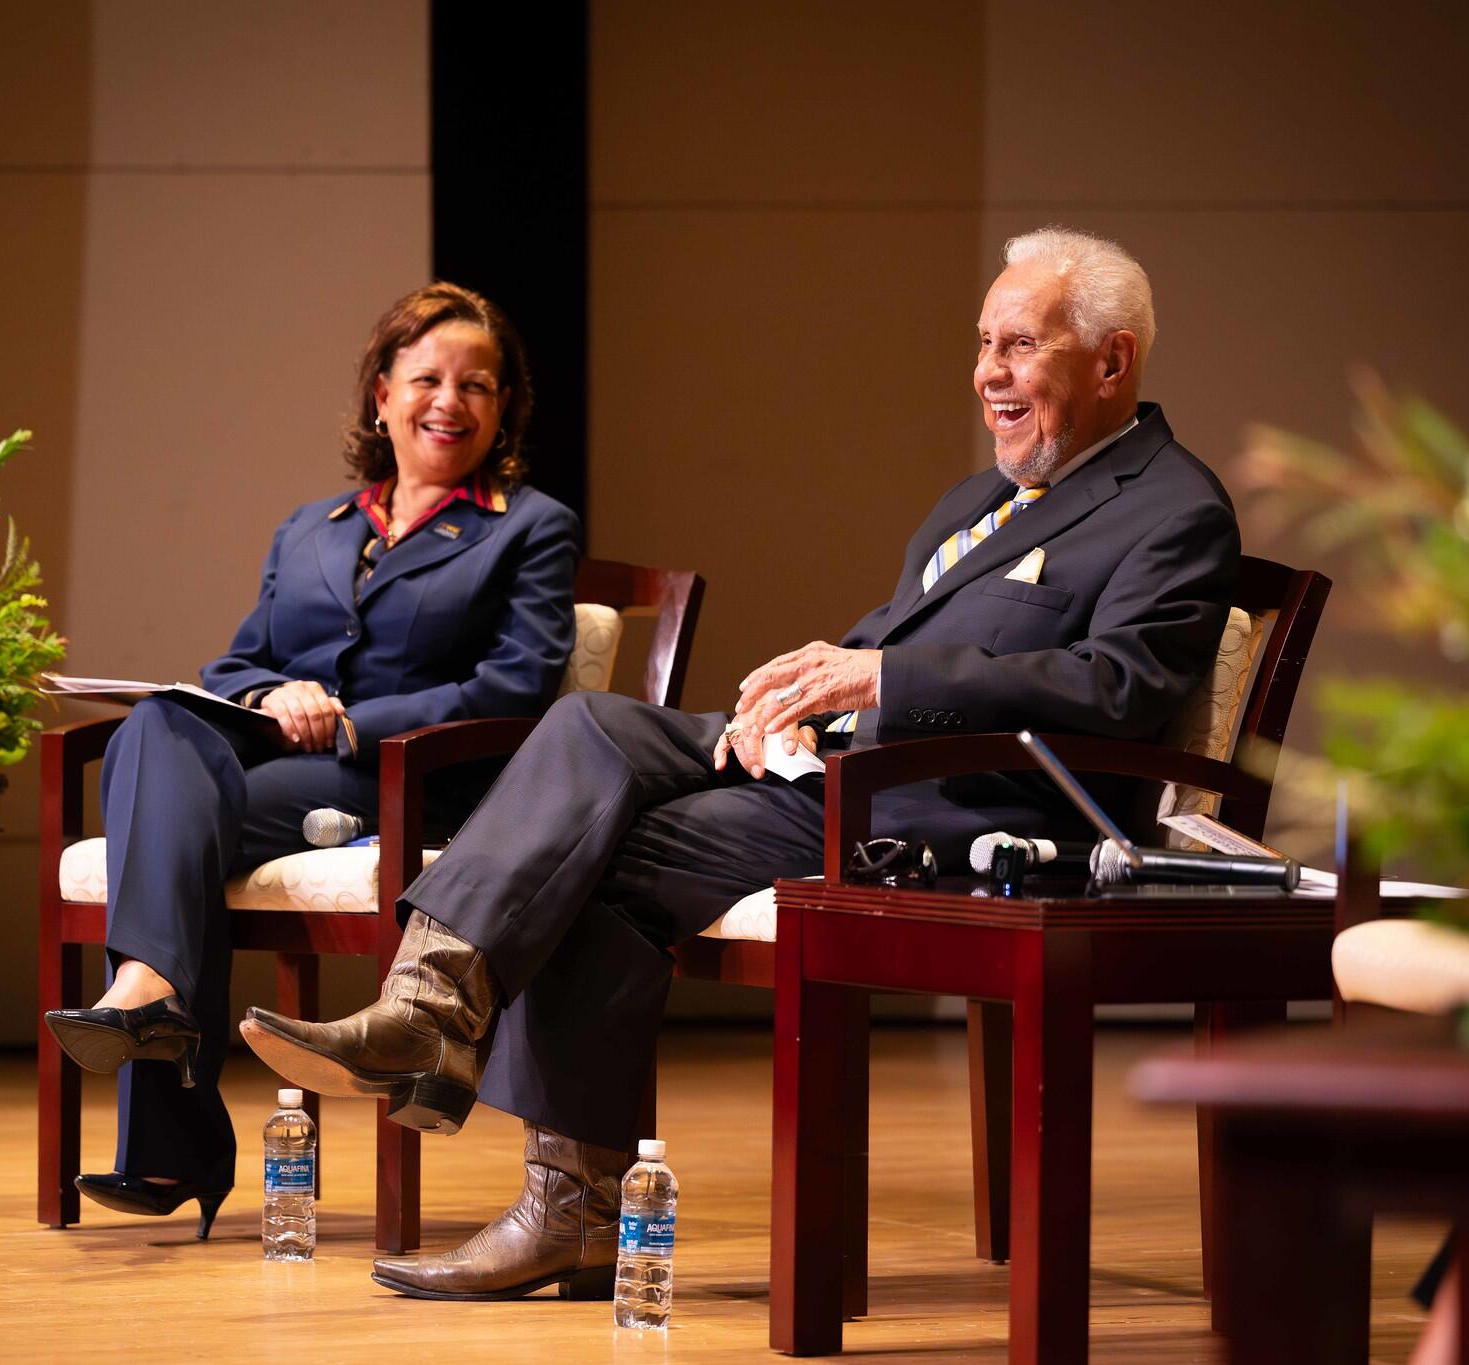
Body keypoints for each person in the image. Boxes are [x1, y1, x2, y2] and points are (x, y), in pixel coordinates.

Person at [243, 227, 1243, 1299]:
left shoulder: (1172, 508)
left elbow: (1119, 692)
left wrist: (877, 686)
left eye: (1017, 346)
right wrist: (788, 710)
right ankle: (427, 1010)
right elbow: (889, 640)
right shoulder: (971, 503)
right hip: (849, 773)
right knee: (589, 727)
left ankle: (562, 1210)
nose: (985, 373)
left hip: (966, 808)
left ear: (1110, 360)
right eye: (982, 343)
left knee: (608, 859)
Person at [43, 282, 581, 1238]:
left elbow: (517, 688)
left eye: (478, 385)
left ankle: (167, 1125)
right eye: (426, 378)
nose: (449, 401)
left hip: (405, 778)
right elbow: (238, 662)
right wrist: (266, 696)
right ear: (383, 394)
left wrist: (347, 720)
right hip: (277, 768)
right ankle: (153, 1004)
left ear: (504, 410)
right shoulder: (312, 528)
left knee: (159, 795)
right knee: (155, 726)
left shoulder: (528, 525)